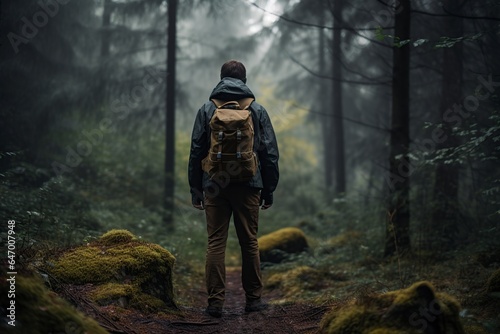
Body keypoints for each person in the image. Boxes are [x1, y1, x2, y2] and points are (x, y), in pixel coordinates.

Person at [188, 60, 279, 318]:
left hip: (214, 184)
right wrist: (269, 189)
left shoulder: (207, 109)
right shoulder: (257, 110)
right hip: (249, 185)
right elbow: (270, 153)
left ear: (221, 78)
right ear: (245, 80)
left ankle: (215, 304)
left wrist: (195, 188)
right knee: (249, 242)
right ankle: (254, 301)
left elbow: (196, 151)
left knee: (215, 243)